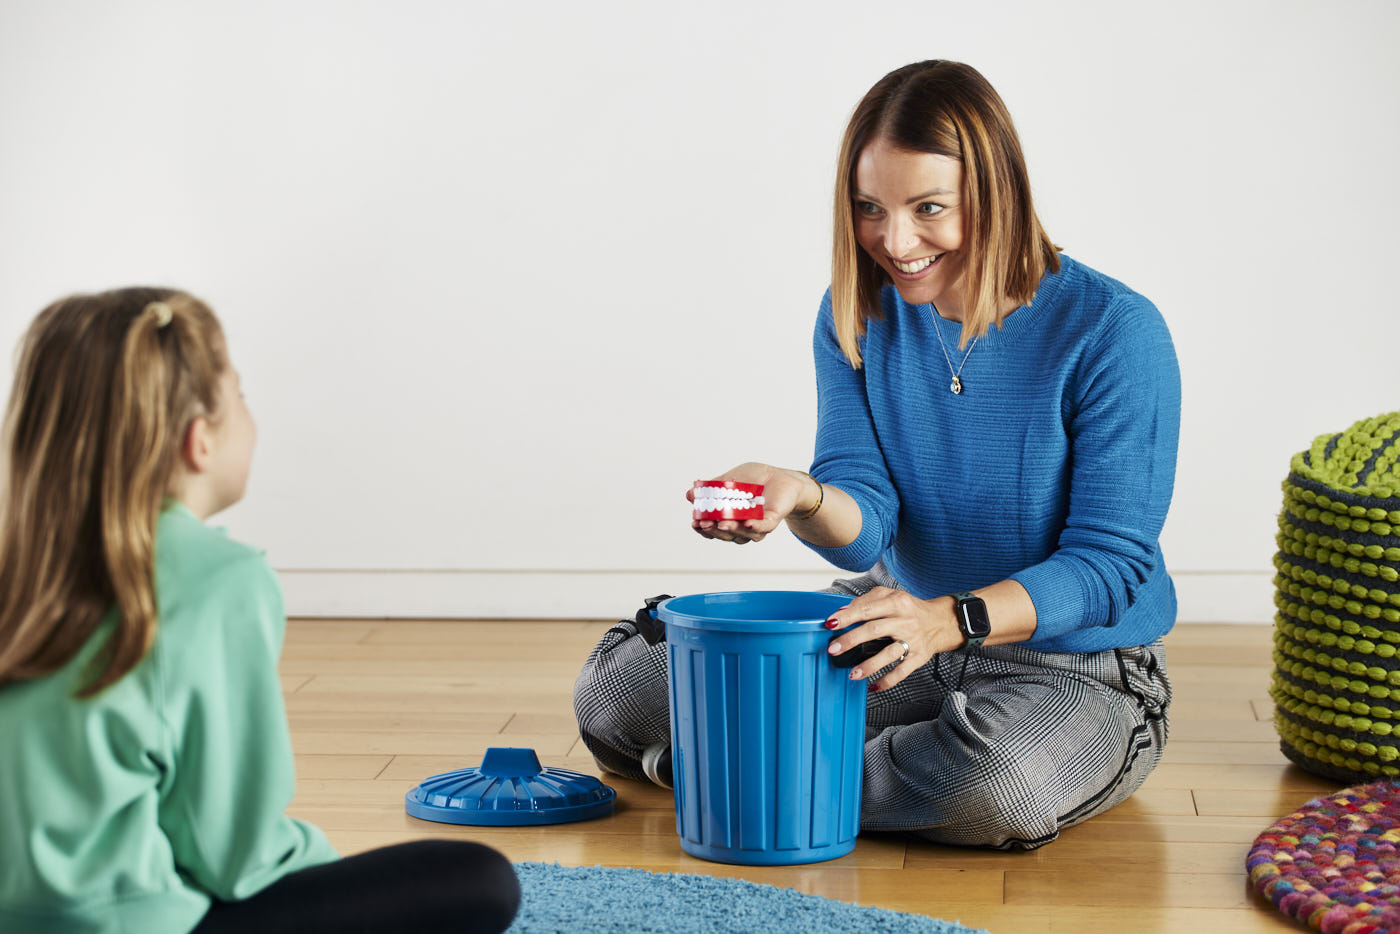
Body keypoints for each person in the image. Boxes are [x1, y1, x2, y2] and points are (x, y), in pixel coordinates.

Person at [574, 60, 1180, 850]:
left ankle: (741, 769)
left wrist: (950, 620)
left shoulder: (1115, 332)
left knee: (993, 786)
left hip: (1070, 665)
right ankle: (830, 770)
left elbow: (1109, 564)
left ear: (994, 193)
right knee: (614, 701)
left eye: (929, 208)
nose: (895, 242)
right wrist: (804, 495)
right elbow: (866, 518)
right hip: (899, 625)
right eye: (870, 209)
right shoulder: (855, 310)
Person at [0, 289, 520, 933]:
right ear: (200, 442)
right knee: (480, 880)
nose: (249, 411)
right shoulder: (218, 580)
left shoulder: (18, 561)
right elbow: (235, 856)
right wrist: (324, 866)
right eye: (240, 395)